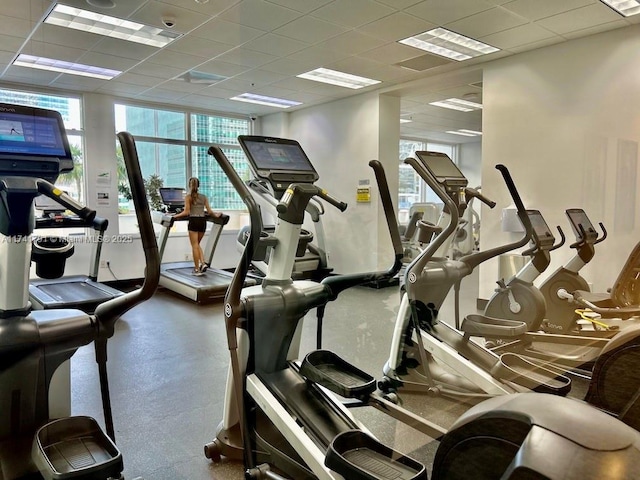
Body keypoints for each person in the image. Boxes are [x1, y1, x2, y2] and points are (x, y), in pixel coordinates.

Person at [173, 177, 220, 276]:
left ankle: (197, 269)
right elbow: (210, 211)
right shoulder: (204, 197)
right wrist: (216, 215)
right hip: (202, 221)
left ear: (190, 185)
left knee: (194, 246)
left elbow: (186, 212)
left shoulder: (188, 197)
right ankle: (203, 263)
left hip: (193, 221)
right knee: (197, 245)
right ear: (198, 185)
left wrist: (174, 217)